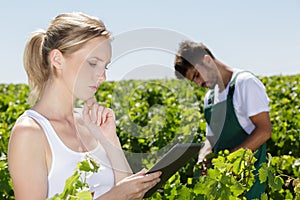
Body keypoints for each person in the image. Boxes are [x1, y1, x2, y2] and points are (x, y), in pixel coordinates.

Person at [8, 12, 161, 200]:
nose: (102, 77)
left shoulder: (91, 123)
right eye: (93, 63)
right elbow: (120, 195)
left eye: (105, 66)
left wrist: (110, 139)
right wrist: (115, 196)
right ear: (57, 59)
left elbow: (130, 196)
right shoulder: (30, 132)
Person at [174, 40, 272, 199]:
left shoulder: (244, 83)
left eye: (197, 75)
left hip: (248, 181)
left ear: (207, 60)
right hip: (224, 185)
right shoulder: (210, 98)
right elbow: (211, 138)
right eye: (194, 81)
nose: (199, 84)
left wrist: (229, 162)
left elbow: (264, 130)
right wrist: (203, 156)